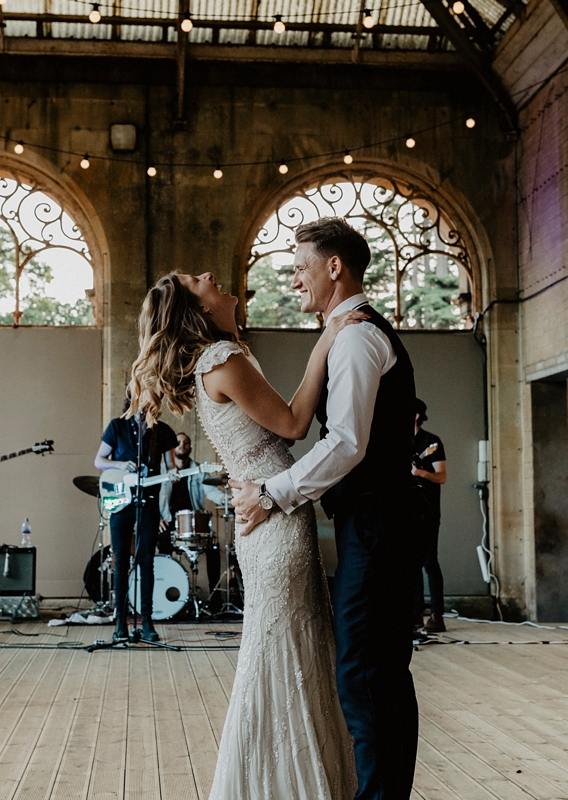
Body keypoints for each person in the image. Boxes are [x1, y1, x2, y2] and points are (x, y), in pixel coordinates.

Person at [128, 268, 367, 799]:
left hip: (269, 514)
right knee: (284, 648)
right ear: (200, 309)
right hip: (274, 523)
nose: (209, 274)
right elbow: (292, 424)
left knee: (292, 646)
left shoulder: (224, 354)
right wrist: (327, 338)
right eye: (197, 280)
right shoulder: (221, 360)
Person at [231, 216, 427, 800]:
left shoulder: (360, 337)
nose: (295, 282)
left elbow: (345, 442)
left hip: (379, 527)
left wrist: (271, 494)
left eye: (300, 268)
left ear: (334, 267)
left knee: (367, 678)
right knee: (378, 677)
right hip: (375, 525)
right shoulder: (348, 332)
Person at [94, 407, 177, 642]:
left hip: (148, 503)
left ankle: (147, 621)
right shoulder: (116, 426)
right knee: (120, 561)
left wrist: (173, 473)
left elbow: (171, 466)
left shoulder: (163, 432)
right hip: (121, 502)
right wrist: (120, 465)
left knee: (146, 561)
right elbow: (98, 461)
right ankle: (120, 621)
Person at [159, 432, 228, 595]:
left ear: (190, 447)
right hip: (168, 523)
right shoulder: (161, 471)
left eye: (186, 442)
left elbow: (211, 492)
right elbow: (151, 497)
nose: (182, 444)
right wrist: (157, 519)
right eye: (178, 442)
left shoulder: (199, 471)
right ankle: (166, 595)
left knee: (213, 545)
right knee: (161, 543)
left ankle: (215, 597)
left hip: (193, 524)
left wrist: (229, 500)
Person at [411, 400, 447, 635]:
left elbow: (442, 476)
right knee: (409, 563)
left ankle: (437, 616)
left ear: (416, 415)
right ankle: (414, 615)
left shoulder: (430, 442)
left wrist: (420, 472)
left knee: (429, 561)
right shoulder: (396, 440)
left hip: (427, 511)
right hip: (404, 509)